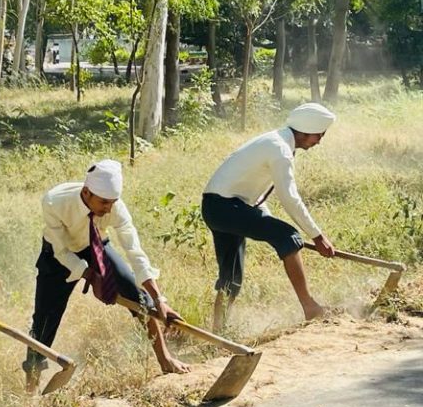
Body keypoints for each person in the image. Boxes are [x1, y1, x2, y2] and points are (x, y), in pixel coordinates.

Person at [24, 159, 190, 392]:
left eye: (112, 202)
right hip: (58, 255)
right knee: (44, 321)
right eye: (103, 202)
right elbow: (61, 251)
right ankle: (30, 387)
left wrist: (159, 299)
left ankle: (165, 360)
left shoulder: (115, 207)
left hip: (96, 246)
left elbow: (135, 251)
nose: (108, 209)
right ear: (86, 192)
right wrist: (93, 278)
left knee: (137, 296)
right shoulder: (54, 202)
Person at [202, 102, 337, 328]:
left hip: (217, 207)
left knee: (231, 277)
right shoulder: (280, 149)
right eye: (318, 136)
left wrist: (265, 219)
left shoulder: (275, 141)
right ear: (305, 132)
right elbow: (289, 197)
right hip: (227, 207)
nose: (319, 141)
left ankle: (218, 331)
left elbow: (252, 193)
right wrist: (317, 235)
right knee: (288, 237)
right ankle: (309, 306)